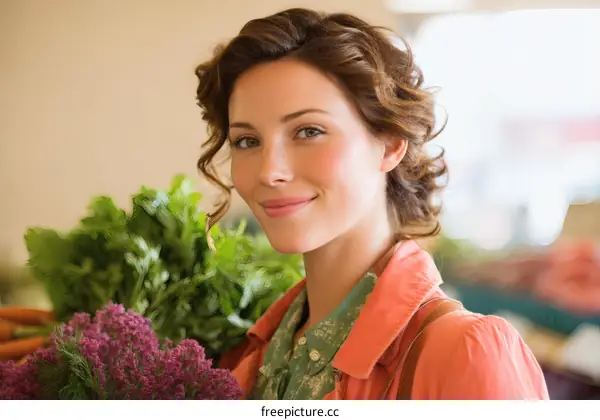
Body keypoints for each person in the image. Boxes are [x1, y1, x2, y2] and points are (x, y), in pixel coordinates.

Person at [193, 8, 549, 400]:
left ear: (391, 143)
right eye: (247, 140)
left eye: (308, 131)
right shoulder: (241, 357)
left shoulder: (465, 354)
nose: (269, 171)